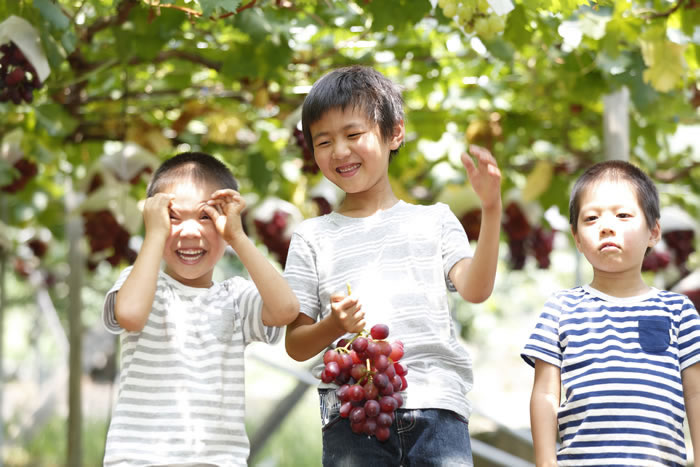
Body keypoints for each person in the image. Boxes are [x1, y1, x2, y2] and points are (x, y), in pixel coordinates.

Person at [283, 65, 502, 466]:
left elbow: (476, 289)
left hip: (438, 407)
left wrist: (490, 208)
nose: (340, 151)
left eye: (353, 134)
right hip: (352, 413)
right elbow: (295, 344)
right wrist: (334, 326)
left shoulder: (434, 220)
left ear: (394, 133)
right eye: (324, 141)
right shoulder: (310, 237)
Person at [101, 151, 299, 466]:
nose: (190, 232)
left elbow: (286, 310)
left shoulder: (235, 297)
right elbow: (130, 315)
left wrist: (238, 236)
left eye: (206, 216)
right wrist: (153, 233)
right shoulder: (141, 284)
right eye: (172, 217)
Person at [521, 160, 700, 466]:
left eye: (623, 215)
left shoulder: (679, 310)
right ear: (577, 238)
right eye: (590, 218)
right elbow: (545, 396)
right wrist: (545, 463)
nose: (606, 226)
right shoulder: (561, 308)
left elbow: (695, 394)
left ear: (654, 231)